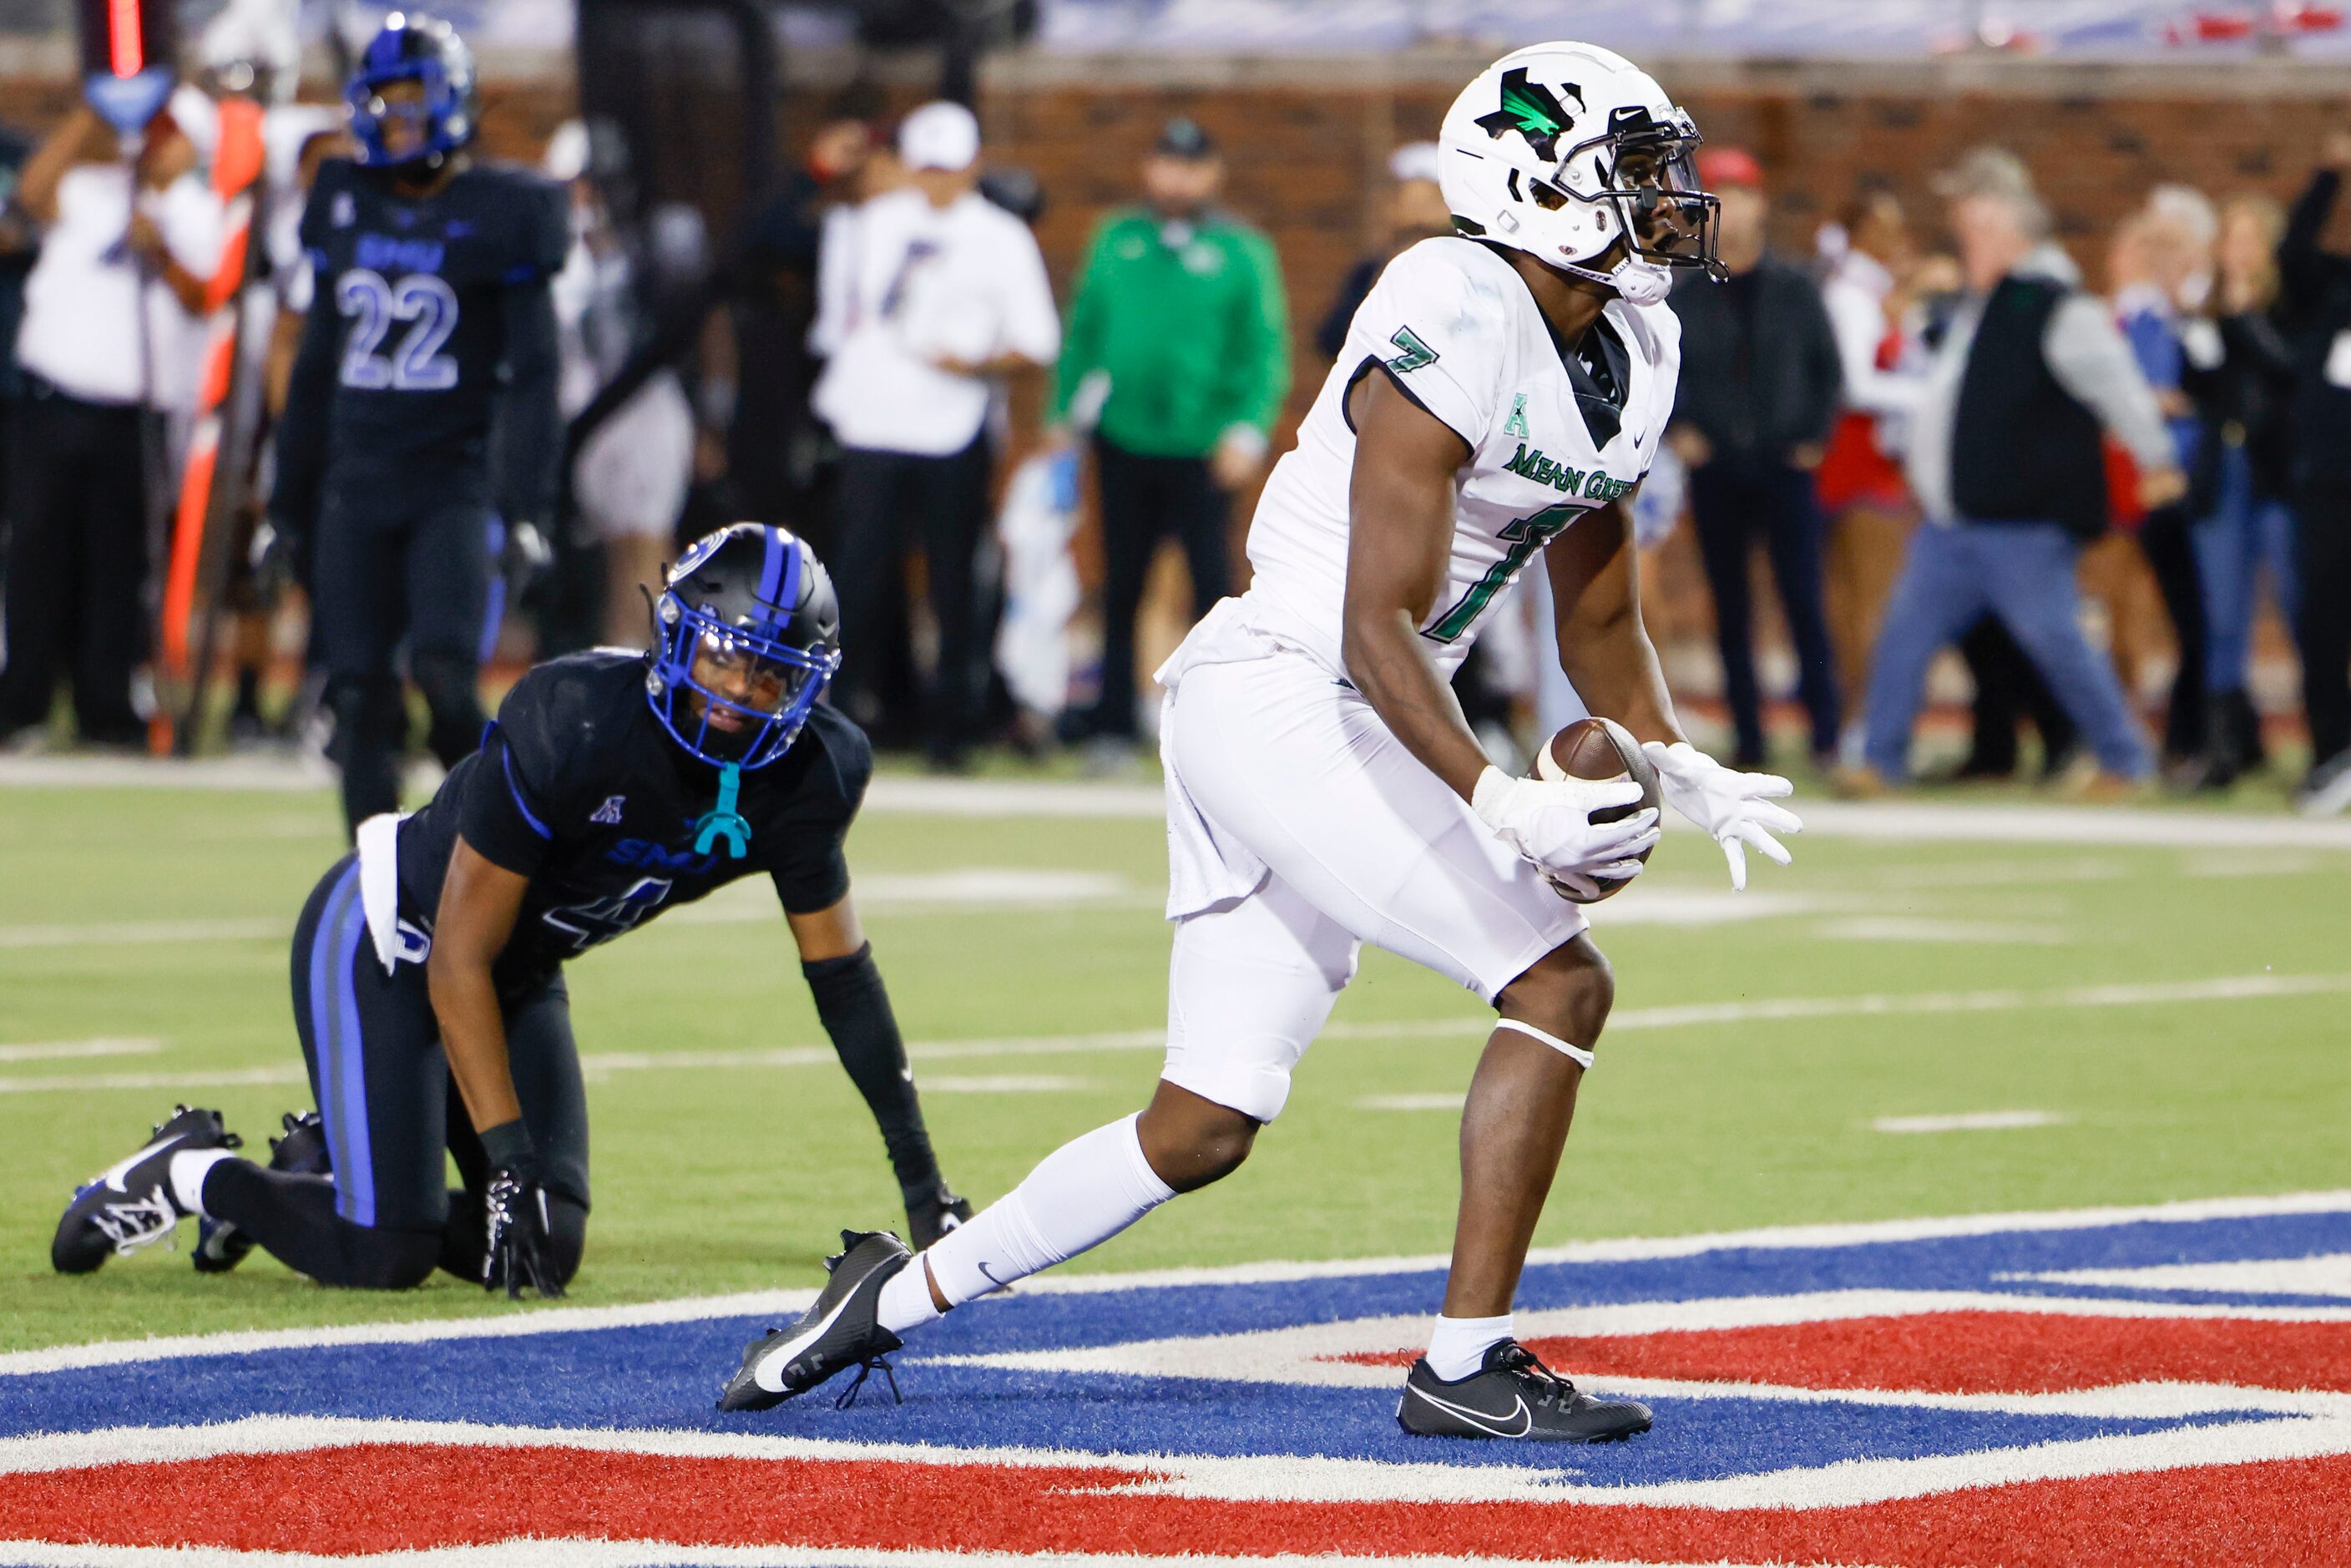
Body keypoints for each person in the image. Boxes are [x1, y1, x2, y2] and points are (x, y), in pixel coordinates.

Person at [717, 43, 1799, 1444]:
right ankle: (1465, 1364)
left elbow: (1595, 606)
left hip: (1342, 700)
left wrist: (1673, 750)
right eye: (1636, 171)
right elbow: (1371, 620)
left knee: (1204, 1120)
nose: (1668, 200)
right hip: (1290, 687)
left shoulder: (1636, 340)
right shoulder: (1449, 300)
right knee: (1557, 983)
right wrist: (1495, 796)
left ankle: (884, 1301)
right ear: (1536, 184)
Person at [54, 524, 975, 1293]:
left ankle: (323, 1167)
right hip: (393, 936)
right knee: (390, 1250)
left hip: (516, 973)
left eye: (770, 676)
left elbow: (842, 981)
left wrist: (923, 1185)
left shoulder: (811, 772)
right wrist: (505, 1161)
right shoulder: (574, 720)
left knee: (543, 1251)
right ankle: (190, 1173)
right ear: (676, 632)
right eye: (724, 656)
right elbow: (454, 955)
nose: (738, 694)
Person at [255, 14, 563, 836]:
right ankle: (372, 889)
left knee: (447, 677)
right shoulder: (345, 201)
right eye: (382, 103)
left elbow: (536, 376)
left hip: (449, 481)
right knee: (357, 694)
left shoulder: (506, 209)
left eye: (410, 102)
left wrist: (528, 505)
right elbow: (316, 366)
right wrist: (286, 503)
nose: (395, 120)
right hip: (355, 483)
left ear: (451, 105)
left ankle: (495, 845)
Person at [1846, 149, 2182, 796]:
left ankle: (2126, 760)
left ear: (2003, 226)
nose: (1959, 237)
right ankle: (1878, 759)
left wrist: (2157, 458)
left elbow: (2118, 386)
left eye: (1970, 226)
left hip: (2022, 526)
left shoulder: (2054, 304)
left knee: (2060, 644)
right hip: (1953, 525)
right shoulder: (1986, 304)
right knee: (1904, 637)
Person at [810, 99, 1059, 771]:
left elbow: (1038, 340)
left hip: (952, 427)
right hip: (871, 423)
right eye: (927, 167)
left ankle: (951, 731)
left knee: (953, 583)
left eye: (950, 168)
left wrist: (972, 361)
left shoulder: (1002, 236)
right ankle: (835, 720)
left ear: (973, 165)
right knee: (856, 580)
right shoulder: (865, 226)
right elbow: (839, 324)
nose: (939, 181)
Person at [1049, 116, 1291, 755]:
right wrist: (1060, 413)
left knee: (1214, 588)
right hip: (1124, 437)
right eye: (1166, 163)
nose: (1177, 178)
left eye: (1191, 165)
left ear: (1212, 173)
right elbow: (1084, 332)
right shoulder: (1117, 238)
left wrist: (1247, 430)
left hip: (1204, 446)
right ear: (1148, 169)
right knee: (1120, 581)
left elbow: (1263, 350)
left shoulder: (1242, 251)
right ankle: (1111, 724)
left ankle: (1221, 724)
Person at [0, 103, 220, 750]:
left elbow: (206, 296)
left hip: (137, 416)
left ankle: (106, 705)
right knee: (37, 554)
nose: (157, 146)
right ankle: (23, 703)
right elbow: (32, 194)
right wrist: (97, 107)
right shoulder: (89, 187)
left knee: (118, 566)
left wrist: (163, 250)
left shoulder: (199, 211)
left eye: (170, 135)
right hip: (54, 400)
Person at [1663, 146, 1843, 768]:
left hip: (1785, 467)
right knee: (1730, 608)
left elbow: (1827, 370)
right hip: (1717, 471)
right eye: (1720, 196)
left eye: (1741, 194)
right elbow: (1662, 373)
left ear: (1760, 202)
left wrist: (1813, 436)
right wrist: (1680, 428)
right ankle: (1749, 737)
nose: (1733, 209)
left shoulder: (1796, 288)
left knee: (1804, 600)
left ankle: (1826, 733)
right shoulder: (1684, 294)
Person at [2112, 190, 2218, 781]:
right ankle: (2190, 739)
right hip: (2162, 489)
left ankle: (2205, 737)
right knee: (2190, 618)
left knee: (2209, 620)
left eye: (2173, 243)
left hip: (2209, 484)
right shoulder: (2150, 315)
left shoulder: (2209, 311)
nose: (2162, 256)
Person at [1815, 192, 1922, 741]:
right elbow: (1855, 384)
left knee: (1866, 601)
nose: (1898, 241)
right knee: (1870, 602)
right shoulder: (1852, 298)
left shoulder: (1875, 296)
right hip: (1861, 465)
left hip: (1873, 462)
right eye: (1885, 228)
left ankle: (1864, 723)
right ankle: (1866, 726)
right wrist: (1928, 396)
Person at [2279, 134, 2351, 816]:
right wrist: (2328, 175)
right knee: (2321, 622)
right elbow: (2292, 253)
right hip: (2328, 486)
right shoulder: (2334, 287)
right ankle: (2335, 752)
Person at [1314, 141, 1451, 361]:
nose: (1415, 214)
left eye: (1427, 202)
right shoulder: (1370, 270)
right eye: (1403, 200)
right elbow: (1331, 340)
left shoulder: (1467, 269)